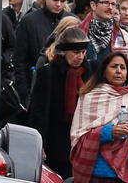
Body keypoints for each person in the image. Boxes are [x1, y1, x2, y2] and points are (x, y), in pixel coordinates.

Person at [69, 52, 128, 183]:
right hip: (99, 172)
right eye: (114, 66)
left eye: (123, 67)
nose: (118, 71)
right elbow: (78, 136)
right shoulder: (89, 97)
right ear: (104, 72)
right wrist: (107, 132)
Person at [28, 27, 98, 179]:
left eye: (83, 52)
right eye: (76, 52)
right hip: (56, 143)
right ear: (64, 51)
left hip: (86, 143)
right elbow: (38, 111)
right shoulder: (47, 73)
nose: (80, 57)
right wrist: (39, 144)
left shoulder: (92, 71)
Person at [14, 0, 75, 103]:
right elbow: (20, 61)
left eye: (63, 1)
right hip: (36, 89)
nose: (58, 5)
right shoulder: (29, 21)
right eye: (55, 0)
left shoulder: (73, 21)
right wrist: (26, 96)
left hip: (66, 89)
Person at [79, 0, 128, 70]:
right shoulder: (76, 32)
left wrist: (126, 60)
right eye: (105, 3)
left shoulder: (123, 36)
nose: (110, 7)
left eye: (113, 4)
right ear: (93, 5)